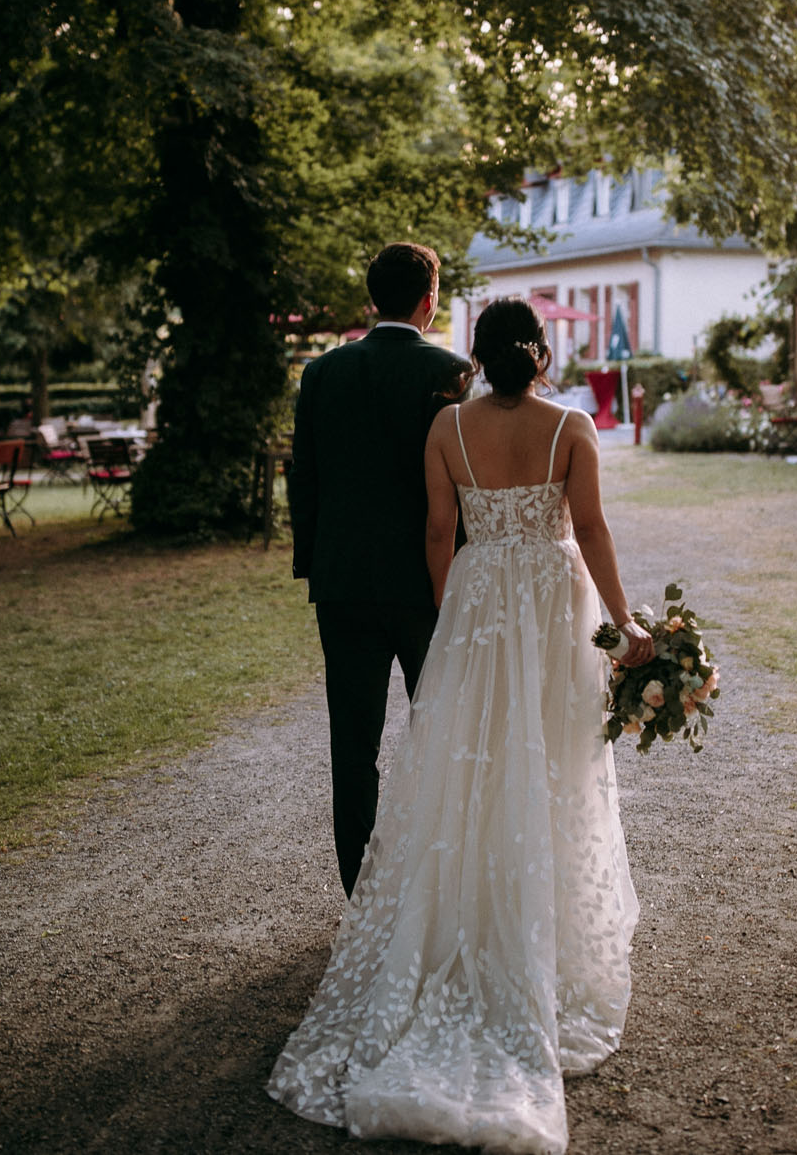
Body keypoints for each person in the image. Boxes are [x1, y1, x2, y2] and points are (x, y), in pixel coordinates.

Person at [270, 298, 655, 1155]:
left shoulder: (447, 426)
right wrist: (625, 621)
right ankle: (542, 933)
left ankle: (460, 923)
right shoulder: (572, 426)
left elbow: (440, 531)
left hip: (479, 602)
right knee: (554, 762)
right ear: (541, 352)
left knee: (471, 763)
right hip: (551, 603)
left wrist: (454, 618)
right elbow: (590, 527)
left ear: (475, 354)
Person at [289, 242, 474, 897]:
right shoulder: (451, 372)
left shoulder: (323, 372)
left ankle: (362, 894)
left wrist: (314, 562)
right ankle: (436, 886)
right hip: (429, 585)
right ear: (430, 300)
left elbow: (304, 475)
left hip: (343, 582)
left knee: (353, 745)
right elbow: (466, 485)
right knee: (443, 735)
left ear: (373, 298)